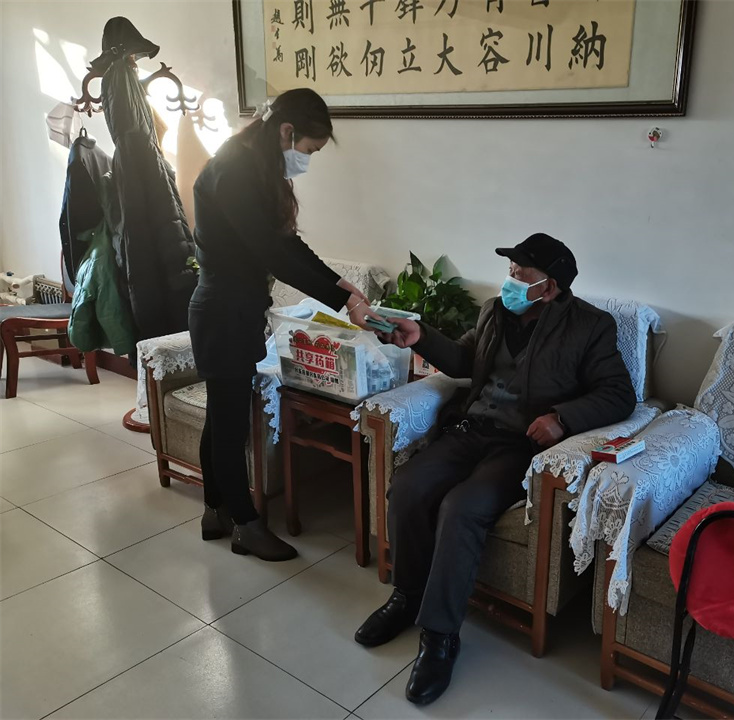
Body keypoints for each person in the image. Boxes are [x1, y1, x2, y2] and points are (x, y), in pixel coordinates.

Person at [355, 233, 635, 704]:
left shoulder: (590, 326)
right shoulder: (494, 311)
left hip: (518, 446)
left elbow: (619, 394)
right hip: (470, 430)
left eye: (521, 273)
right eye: (510, 270)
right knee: (408, 485)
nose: (510, 280)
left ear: (549, 286)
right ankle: (406, 598)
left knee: (462, 508)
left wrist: (563, 418)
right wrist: (422, 336)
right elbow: (467, 359)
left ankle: (440, 637)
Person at [189, 89, 380, 561]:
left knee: (222, 417)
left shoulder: (251, 166)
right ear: (287, 131)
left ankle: (215, 510)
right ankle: (246, 525)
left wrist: (345, 287)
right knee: (230, 425)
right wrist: (342, 300)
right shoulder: (234, 170)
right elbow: (274, 254)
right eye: (309, 150)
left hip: (234, 310)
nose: (306, 160)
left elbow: (289, 244)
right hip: (223, 313)